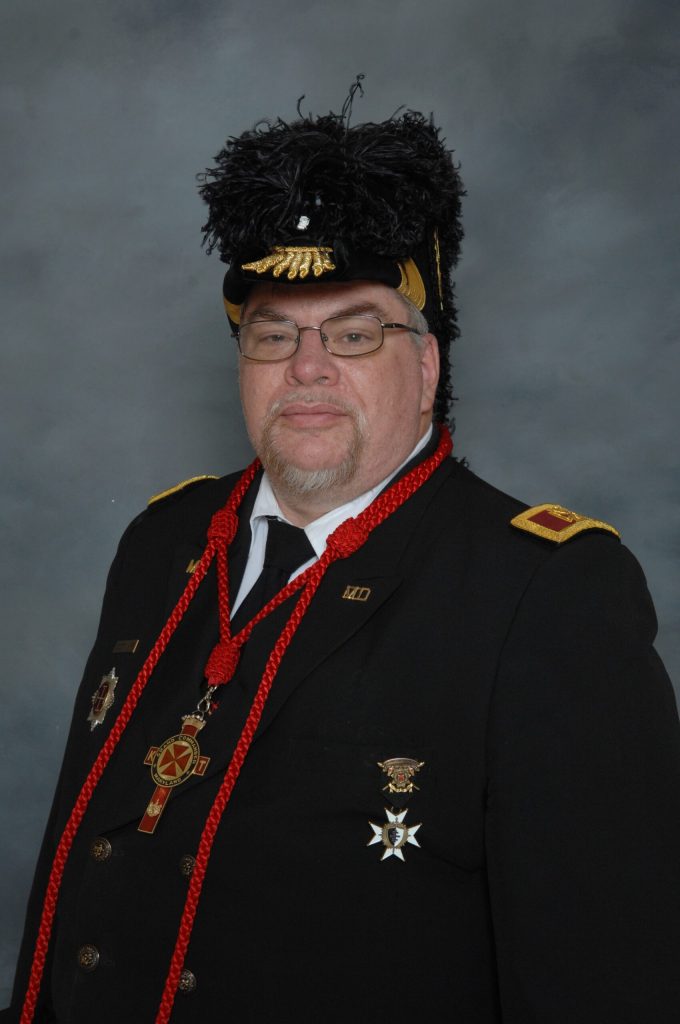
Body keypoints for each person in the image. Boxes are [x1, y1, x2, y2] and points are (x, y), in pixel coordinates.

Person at [4, 85, 680, 1024]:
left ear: (428, 365)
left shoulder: (548, 591)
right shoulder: (163, 542)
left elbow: (607, 980)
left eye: (355, 333)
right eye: (273, 333)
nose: (307, 366)